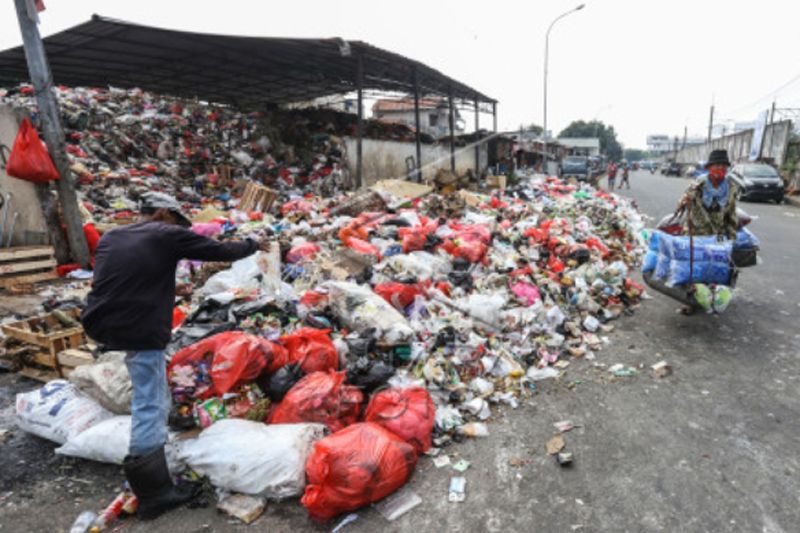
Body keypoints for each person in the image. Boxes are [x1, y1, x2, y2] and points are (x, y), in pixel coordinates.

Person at [81, 192, 271, 520]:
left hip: (101, 321)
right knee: (149, 402)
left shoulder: (113, 234)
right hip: (138, 328)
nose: (179, 227)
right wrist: (255, 243)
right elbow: (221, 251)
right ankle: (155, 493)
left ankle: (152, 469)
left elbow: (128, 275)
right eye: (177, 220)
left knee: (151, 390)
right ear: (163, 213)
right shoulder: (165, 233)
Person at [677, 149, 738, 240]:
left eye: (724, 166)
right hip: (695, 236)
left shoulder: (731, 187)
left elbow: (731, 216)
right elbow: (681, 203)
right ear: (709, 168)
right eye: (717, 165)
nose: (721, 168)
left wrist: (731, 239)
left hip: (717, 237)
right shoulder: (699, 183)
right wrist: (686, 200)